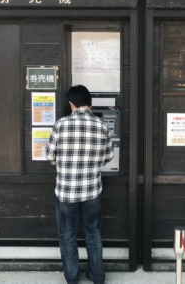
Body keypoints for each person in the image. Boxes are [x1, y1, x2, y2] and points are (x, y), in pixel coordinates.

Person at [45, 85, 114, 284]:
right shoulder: (102, 125)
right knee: (93, 234)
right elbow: (108, 156)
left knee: (67, 236)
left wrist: (64, 162)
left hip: (66, 192)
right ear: (90, 103)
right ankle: (97, 276)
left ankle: (72, 277)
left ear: (71, 104)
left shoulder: (61, 124)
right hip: (92, 191)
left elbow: (50, 155)